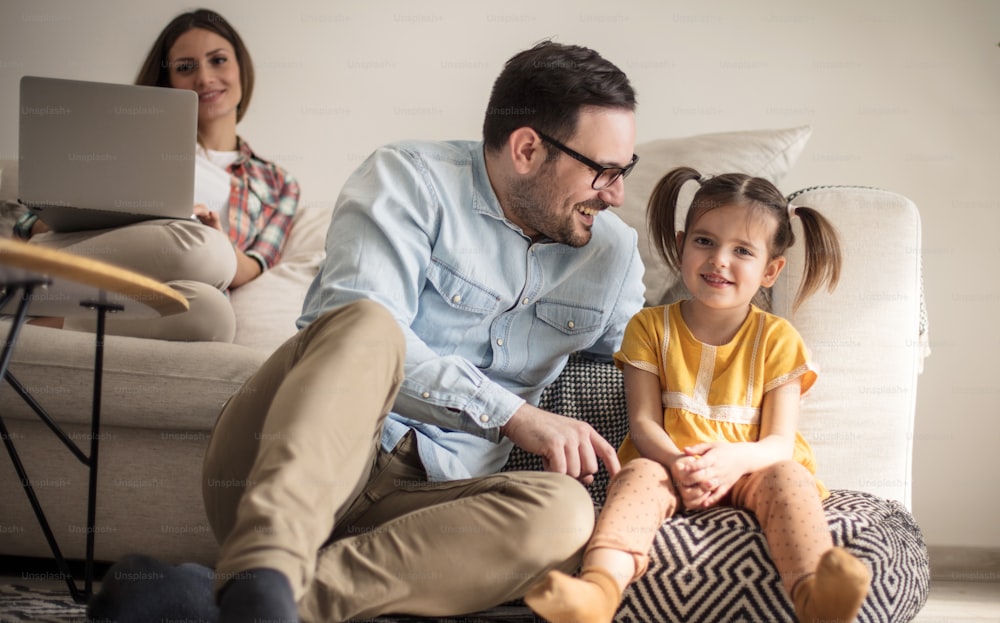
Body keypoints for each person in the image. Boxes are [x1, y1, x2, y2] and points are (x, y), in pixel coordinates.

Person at [86, 40, 646, 623]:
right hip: (286, 464)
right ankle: (266, 567)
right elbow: (351, 319)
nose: (616, 195)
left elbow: (659, 358)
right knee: (368, 323)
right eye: (603, 171)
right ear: (528, 148)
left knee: (566, 513)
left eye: (622, 171)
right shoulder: (409, 179)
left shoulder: (611, 255)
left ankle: (241, 604)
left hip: (422, 509)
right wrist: (512, 414)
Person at [523, 167, 871, 623]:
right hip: (671, 465)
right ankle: (598, 593)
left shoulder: (780, 340)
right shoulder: (649, 327)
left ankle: (815, 595)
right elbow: (644, 424)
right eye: (704, 242)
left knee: (789, 477)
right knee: (638, 476)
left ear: (771, 270)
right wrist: (677, 463)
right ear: (683, 244)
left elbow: (779, 444)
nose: (719, 260)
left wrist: (732, 461)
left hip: (751, 469)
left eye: (742, 251)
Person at [13, 8, 299, 342]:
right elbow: (32, 222)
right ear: (169, 81)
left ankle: (26, 325)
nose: (204, 77)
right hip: (105, 252)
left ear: (241, 67)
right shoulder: (132, 140)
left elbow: (253, 265)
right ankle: (13, 285)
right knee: (203, 249)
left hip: (181, 282)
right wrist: (123, 211)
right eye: (186, 67)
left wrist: (216, 237)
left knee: (214, 316)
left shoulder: (278, 182)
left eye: (218, 60)